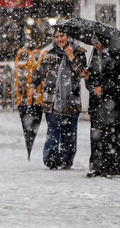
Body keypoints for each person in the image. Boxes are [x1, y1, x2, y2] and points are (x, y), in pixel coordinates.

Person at [85, 36, 120, 177]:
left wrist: (104, 88)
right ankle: (101, 166)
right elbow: (92, 83)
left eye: (99, 42)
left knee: (117, 134)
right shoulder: (94, 57)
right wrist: (89, 79)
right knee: (100, 135)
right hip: (100, 106)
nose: (96, 46)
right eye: (94, 43)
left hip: (117, 105)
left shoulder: (116, 56)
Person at [31, 28, 87, 170]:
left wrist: (71, 57)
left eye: (62, 35)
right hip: (52, 101)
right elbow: (39, 72)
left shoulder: (79, 52)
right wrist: (33, 85)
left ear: (68, 36)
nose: (59, 39)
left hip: (71, 101)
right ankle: (51, 159)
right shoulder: (50, 54)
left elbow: (83, 73)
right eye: (56, 37)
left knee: (70, 132)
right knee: (53, 131)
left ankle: (66, 160)